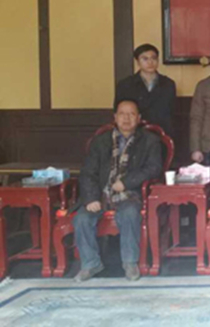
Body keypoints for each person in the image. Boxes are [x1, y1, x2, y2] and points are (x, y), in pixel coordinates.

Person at [72, 99, 163, 282]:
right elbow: (88, 172)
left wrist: (126, 183)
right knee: (82, 218)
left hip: (130, 194)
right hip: (101, 194)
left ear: (139, 118)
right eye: (122, 114)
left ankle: (130, 263)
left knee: (129, 213)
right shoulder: (101, 141)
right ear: (115, 117)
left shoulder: (149, 141)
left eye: (131, 114)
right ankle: (90, 263)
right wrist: (91, 198)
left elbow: (153, 168)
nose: (126, 118)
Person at [114, 44, 177, 138]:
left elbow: (172, 113)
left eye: (153, 58)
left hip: (162, 134)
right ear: (137, 62)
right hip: (134, 135)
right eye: (145, 59)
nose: (150, 62)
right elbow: (119, 112)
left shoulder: (168, 84)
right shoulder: (125, 85)